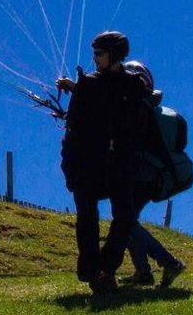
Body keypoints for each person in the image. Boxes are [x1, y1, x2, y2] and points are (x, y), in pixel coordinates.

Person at [56, 31, 150, 295]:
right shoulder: (87, 84)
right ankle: (91, 271)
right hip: (88, 164)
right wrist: (69, 166)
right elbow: (73, 127)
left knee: (125, 217)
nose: (94, 59)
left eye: (99, 54)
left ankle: (106, 268)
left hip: (119, 164)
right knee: (87, 217)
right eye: (94, 54)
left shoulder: (133, 86)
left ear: (114, 55)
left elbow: (139, 125)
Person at [120, 59, 187, 288]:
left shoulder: (138, 107)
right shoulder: (149, 105)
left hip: (142, 174)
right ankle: (143, 272)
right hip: (152, 173)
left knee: (125, 221)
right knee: (127, 221)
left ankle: (169, 263)